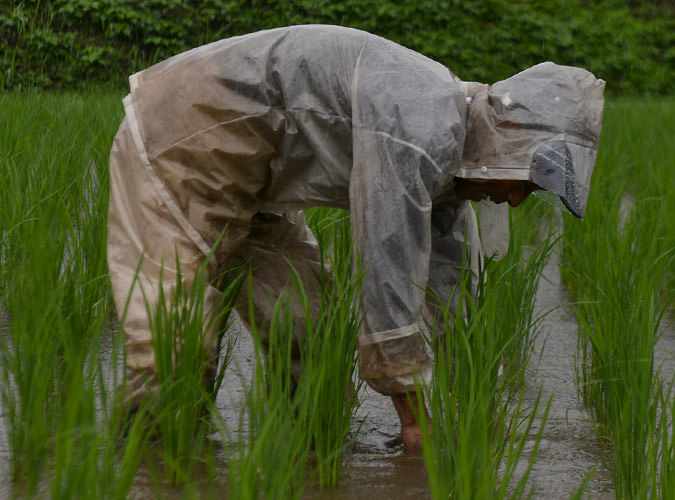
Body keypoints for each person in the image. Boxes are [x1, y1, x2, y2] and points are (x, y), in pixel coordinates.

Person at [107, 24, 605, 452]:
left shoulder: (456, 158)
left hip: (258, 178)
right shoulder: (420, 129)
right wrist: (414, 420)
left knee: (309, 331)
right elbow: (387, 268)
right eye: (528, 182)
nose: (517, 201)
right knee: (174, 340)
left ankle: (308, 460)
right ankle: (152, 473)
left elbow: (452, 292)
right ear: (507, 135)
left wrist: (476, 406)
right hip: (183, 136)